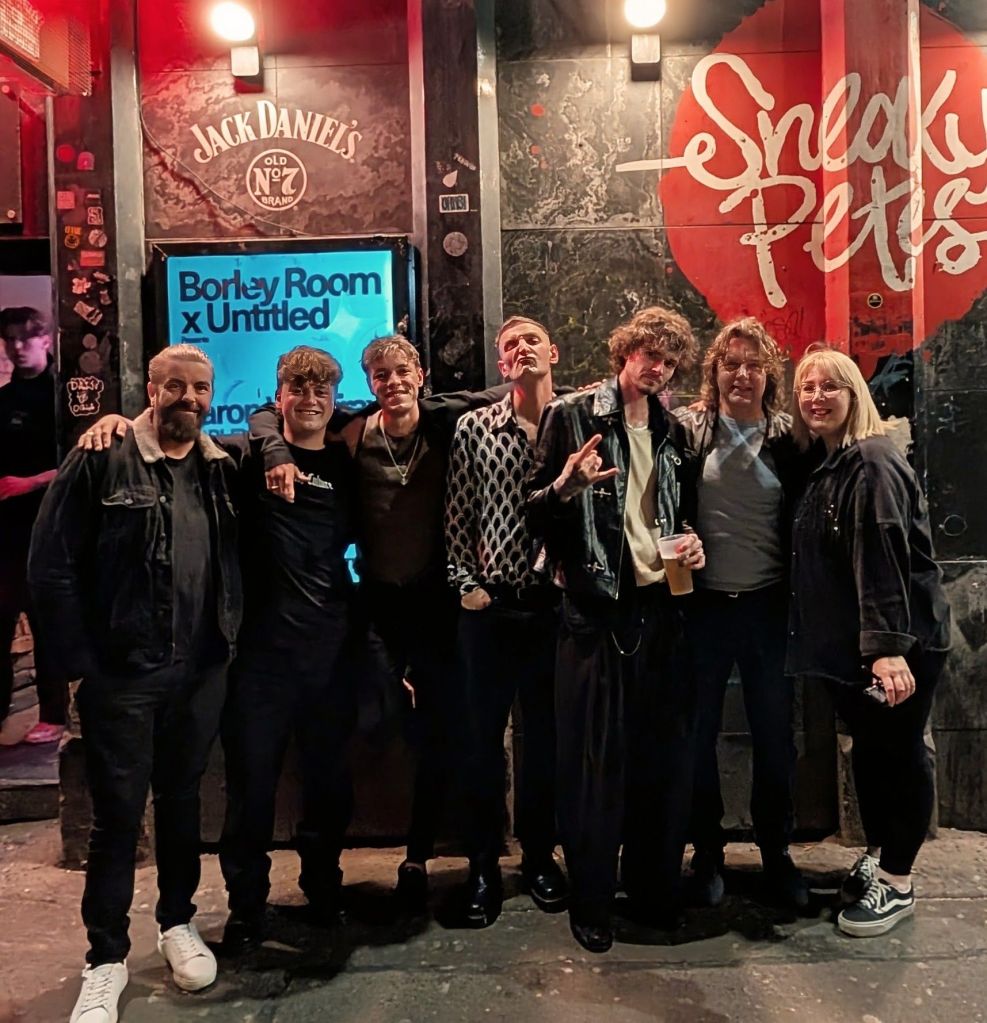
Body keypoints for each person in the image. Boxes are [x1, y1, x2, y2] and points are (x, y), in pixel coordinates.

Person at [251, 335, 505, 909]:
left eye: (401, 371)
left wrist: (577, 392)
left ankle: (445, 859)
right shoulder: (351, 431)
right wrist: (271, 451)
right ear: (370, 384)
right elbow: (269, 413)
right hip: (377, 605)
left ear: (420, 374)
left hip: (439, 604)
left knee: (453, 733)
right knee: (377, 720)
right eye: (380, 375)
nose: (392, 382)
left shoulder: (446, 422)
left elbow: (504, 395)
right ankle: (355, 860)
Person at [29, 344, 242, 1021]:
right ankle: (105, 959)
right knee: (117, 819)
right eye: (175, 385)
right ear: (150, 388)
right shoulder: (101, 455)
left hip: (200, 671)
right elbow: (50, 565)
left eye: (200, 388)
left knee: (182, 805)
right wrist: (80, 666)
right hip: (122, 676)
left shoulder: (219, 465)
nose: (189, 398)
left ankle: (177, 922)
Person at [526, 306, 705, 954]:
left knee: (660, 760)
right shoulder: (572, 416)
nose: (656, 367)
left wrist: (693, 544)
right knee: (593, 766)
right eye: (648, 353)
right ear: (624, 351)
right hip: (594, 610)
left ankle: (653, 891)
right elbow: (530, 512)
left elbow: (680, 513)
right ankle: (593, 900)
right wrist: (564, 488)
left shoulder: (673, 430)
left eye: (668, 360)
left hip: (662, 607)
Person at [787, 346, 951, 938]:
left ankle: (898, 882)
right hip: (859, 648)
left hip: (897, 644)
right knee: (876, 756)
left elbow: (882, 551)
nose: (817, 398)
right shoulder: (834, 463)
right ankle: (882, 856)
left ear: (855, 393)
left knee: (900, 757)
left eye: (830, 386)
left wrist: (886, 648)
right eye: (807, 388)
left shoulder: (872, 461)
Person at [219, 346, 358, 951]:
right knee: (250, 790)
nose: (309, 399)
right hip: (261, 661)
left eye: (320, 390)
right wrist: (272, 445)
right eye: (297, 389)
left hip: (331, 654)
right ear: (279, 397)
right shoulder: (249, 456)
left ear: (334, 398)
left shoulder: (348, 459)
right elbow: (233, 425)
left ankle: (324, 887)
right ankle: (246, 906)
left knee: (329, 786)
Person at [673, 318, 808, 909]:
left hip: (768, 607)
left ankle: (776, 852)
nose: (742, 374)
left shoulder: (788, 438)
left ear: (769, 374)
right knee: (696, 735)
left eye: (754, 364)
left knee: (775, 737)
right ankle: (708, 852)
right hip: (703, 608)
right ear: (715, 371)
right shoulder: (689, 430)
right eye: (731, 363)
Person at [444, 315, 568, 927]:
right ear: (501, 364)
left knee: (546, 741)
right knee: (480, 744)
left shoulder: (578, 424)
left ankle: (540, 857)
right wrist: (466, 586)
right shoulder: (474, 427)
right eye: (510, 344)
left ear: (553, 353)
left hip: (554, 611)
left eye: (531, 340)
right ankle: (482, 866)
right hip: (490, 608)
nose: (522, 349)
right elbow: (457, 515)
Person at [0, 307, 63, 744]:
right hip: (6, 531)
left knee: (48, 625)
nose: (17, 347)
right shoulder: (3, 400)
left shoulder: (66, 395)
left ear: (45, 340)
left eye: (25, 338)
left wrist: (31, 482)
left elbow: (81, 462)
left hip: (51, 529)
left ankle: (54, 714)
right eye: (10, 340)